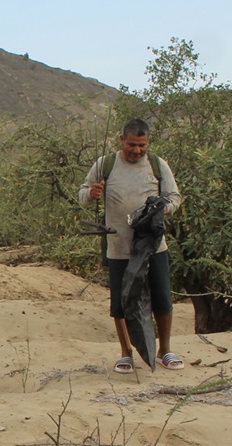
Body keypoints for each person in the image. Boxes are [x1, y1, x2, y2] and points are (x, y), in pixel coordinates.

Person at [79, 117, 184, 371]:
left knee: (161, 298)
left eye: (142, 146)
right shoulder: (106, 164)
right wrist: (91, 193)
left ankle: (165, 351)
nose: (137, 150)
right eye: (132, 145)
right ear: (122, 141)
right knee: (122, 302)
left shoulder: (158, 165)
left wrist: (162, 208)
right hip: (118, 246)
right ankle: (126, 353)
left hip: (153, 246)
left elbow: (175, 198)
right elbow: (83, 195)